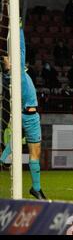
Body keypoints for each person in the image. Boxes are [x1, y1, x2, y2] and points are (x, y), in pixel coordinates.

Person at [0, 28, 47, 200]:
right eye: (7, 59)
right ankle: (4, 159)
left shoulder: (13, 76)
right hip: (26, 114)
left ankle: (36, 189)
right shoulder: (15, 73)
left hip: (30, 115)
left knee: (33, 151)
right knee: (29, 148)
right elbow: (21, 48)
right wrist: (19, 28)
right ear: (9, 66)